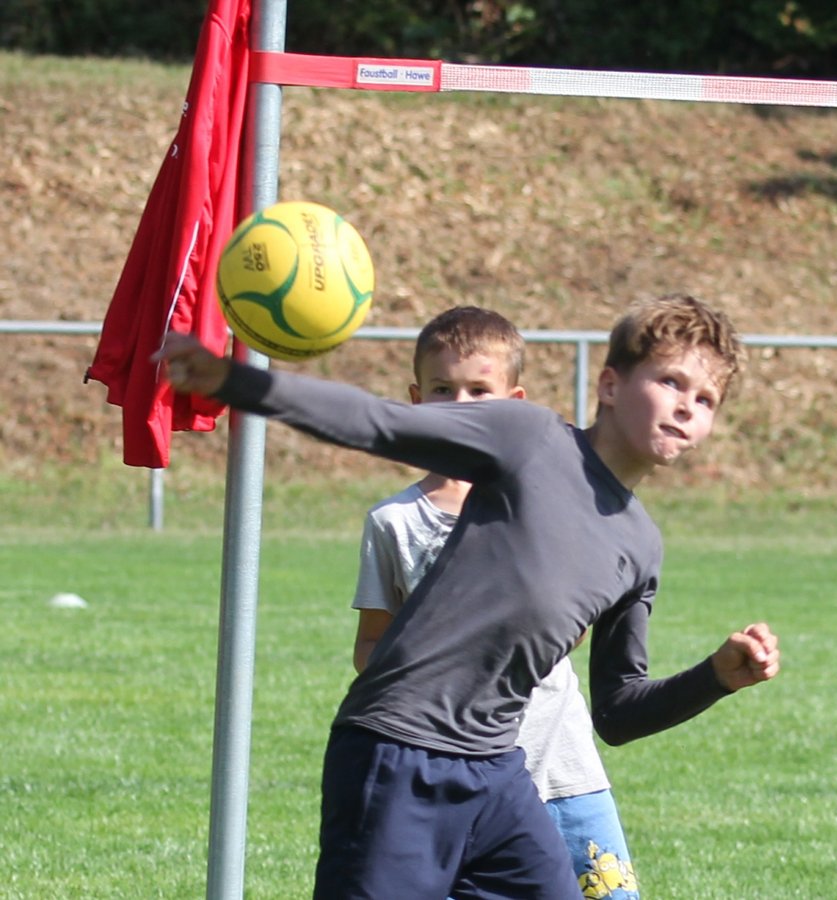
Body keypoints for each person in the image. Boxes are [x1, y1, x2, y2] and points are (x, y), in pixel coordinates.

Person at [156, 293, 780, 900]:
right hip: (399, 753)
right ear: (611, 385)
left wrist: (716, 678)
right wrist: (231, 381)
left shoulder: (640, 548)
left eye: (706, 400)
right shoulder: (530, 439)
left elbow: (616, 713)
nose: (687, 408)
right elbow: (378, 423)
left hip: (495, 773)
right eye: (671, 382)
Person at [349, 306, 638, 898]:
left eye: (479, 391)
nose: (460, 406)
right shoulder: (393, 523)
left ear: (515, 402)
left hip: (559, 766)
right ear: (415, 399)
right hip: (443, 777)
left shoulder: (544, 509)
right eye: (441, 390)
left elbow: (569, 626)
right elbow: (370, 648)